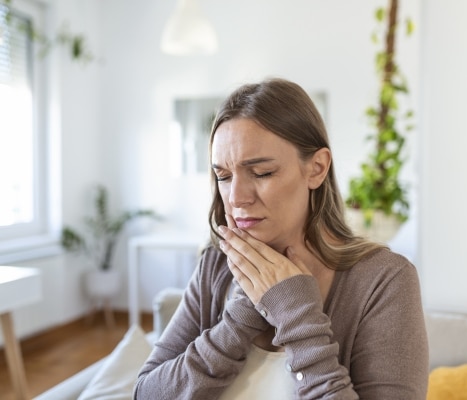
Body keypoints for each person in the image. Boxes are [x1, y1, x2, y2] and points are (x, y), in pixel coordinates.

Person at [134, 78, 429, 399]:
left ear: (316, 168)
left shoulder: (384, 280)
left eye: (261, 173)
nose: (236, 197)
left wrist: (297, 316)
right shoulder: (216, 265)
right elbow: (146, 393)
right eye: (223, 176)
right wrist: (240, 320)